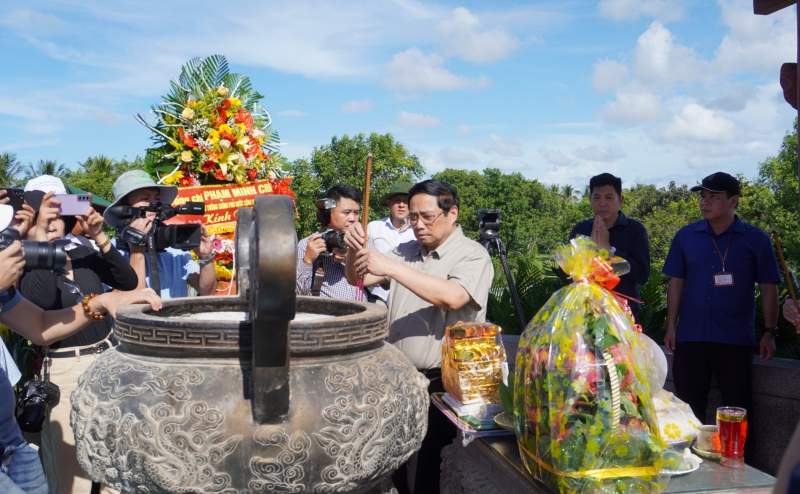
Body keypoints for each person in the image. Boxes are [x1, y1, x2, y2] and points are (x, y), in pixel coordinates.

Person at [343, 180, 494, 494]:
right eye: (412, 217)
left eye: (427, 216)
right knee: (395, 468)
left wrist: (393, 268)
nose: (418, 224)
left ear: (452, 213)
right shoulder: (407, 250)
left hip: (440, 385)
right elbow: (359, 276)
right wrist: (353, 250)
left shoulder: (472, 255)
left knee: (426, 472)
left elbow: (453, 297)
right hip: (398, 377)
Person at [0, 202, 162, 494]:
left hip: (106, 363)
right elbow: (43, 304)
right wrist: (41, 248)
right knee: (73, 477)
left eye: (56, 216)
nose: (52, 224)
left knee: (117, 465)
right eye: (43, 217)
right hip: (64, 369)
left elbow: (128, 282)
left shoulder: (80, 250)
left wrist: (100, 240)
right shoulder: (23, 261)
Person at [663, 172, 781, 462]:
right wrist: (671, 326)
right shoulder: (686, 236)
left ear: (733, 201)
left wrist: (769, 331)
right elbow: (676, 283)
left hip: (734, 340)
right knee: (688, 410)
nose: (705, 202)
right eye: (703, 196)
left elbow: (769, 288)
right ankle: (690, 467)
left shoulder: (756, 239)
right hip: (690, 337)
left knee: (738, 410)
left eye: (713, 197)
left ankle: (743, 469)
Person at [104, 170, 217, 299]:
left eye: (157, 199)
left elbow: (207, 292)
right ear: (122, 209)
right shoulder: (110, 252)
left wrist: (205, 256)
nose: (155, 205)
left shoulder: (174, 249)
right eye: (145, 199)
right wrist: (137, 253)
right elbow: (129, 304)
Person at [567, 173, 650, 322]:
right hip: (586, 311)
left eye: (609, 197)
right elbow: (565, 274)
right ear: (590, 200)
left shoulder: (635, 230)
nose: (602, 203)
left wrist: (610, 251)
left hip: (624, 312)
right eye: (597, 197)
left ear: (620, 200)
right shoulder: (581, 229)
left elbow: (642, 275)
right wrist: (584, 256)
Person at [296, 184, 364, 299]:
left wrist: (350, 258)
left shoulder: (363, 241)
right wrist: (307, 260)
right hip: (329, 314)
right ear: (328, 213)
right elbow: (298, 293)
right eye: (346, 212)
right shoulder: (310, 243)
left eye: (356, 213)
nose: (352, 218)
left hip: (364, 312)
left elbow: (379, 283)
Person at [366, 181, 416, 305]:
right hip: (380, 298)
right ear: (389, 204)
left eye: (406, 201)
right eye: (397, 201)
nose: (401, 205)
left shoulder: (419, 231)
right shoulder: (374, 227)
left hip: (410, 299)